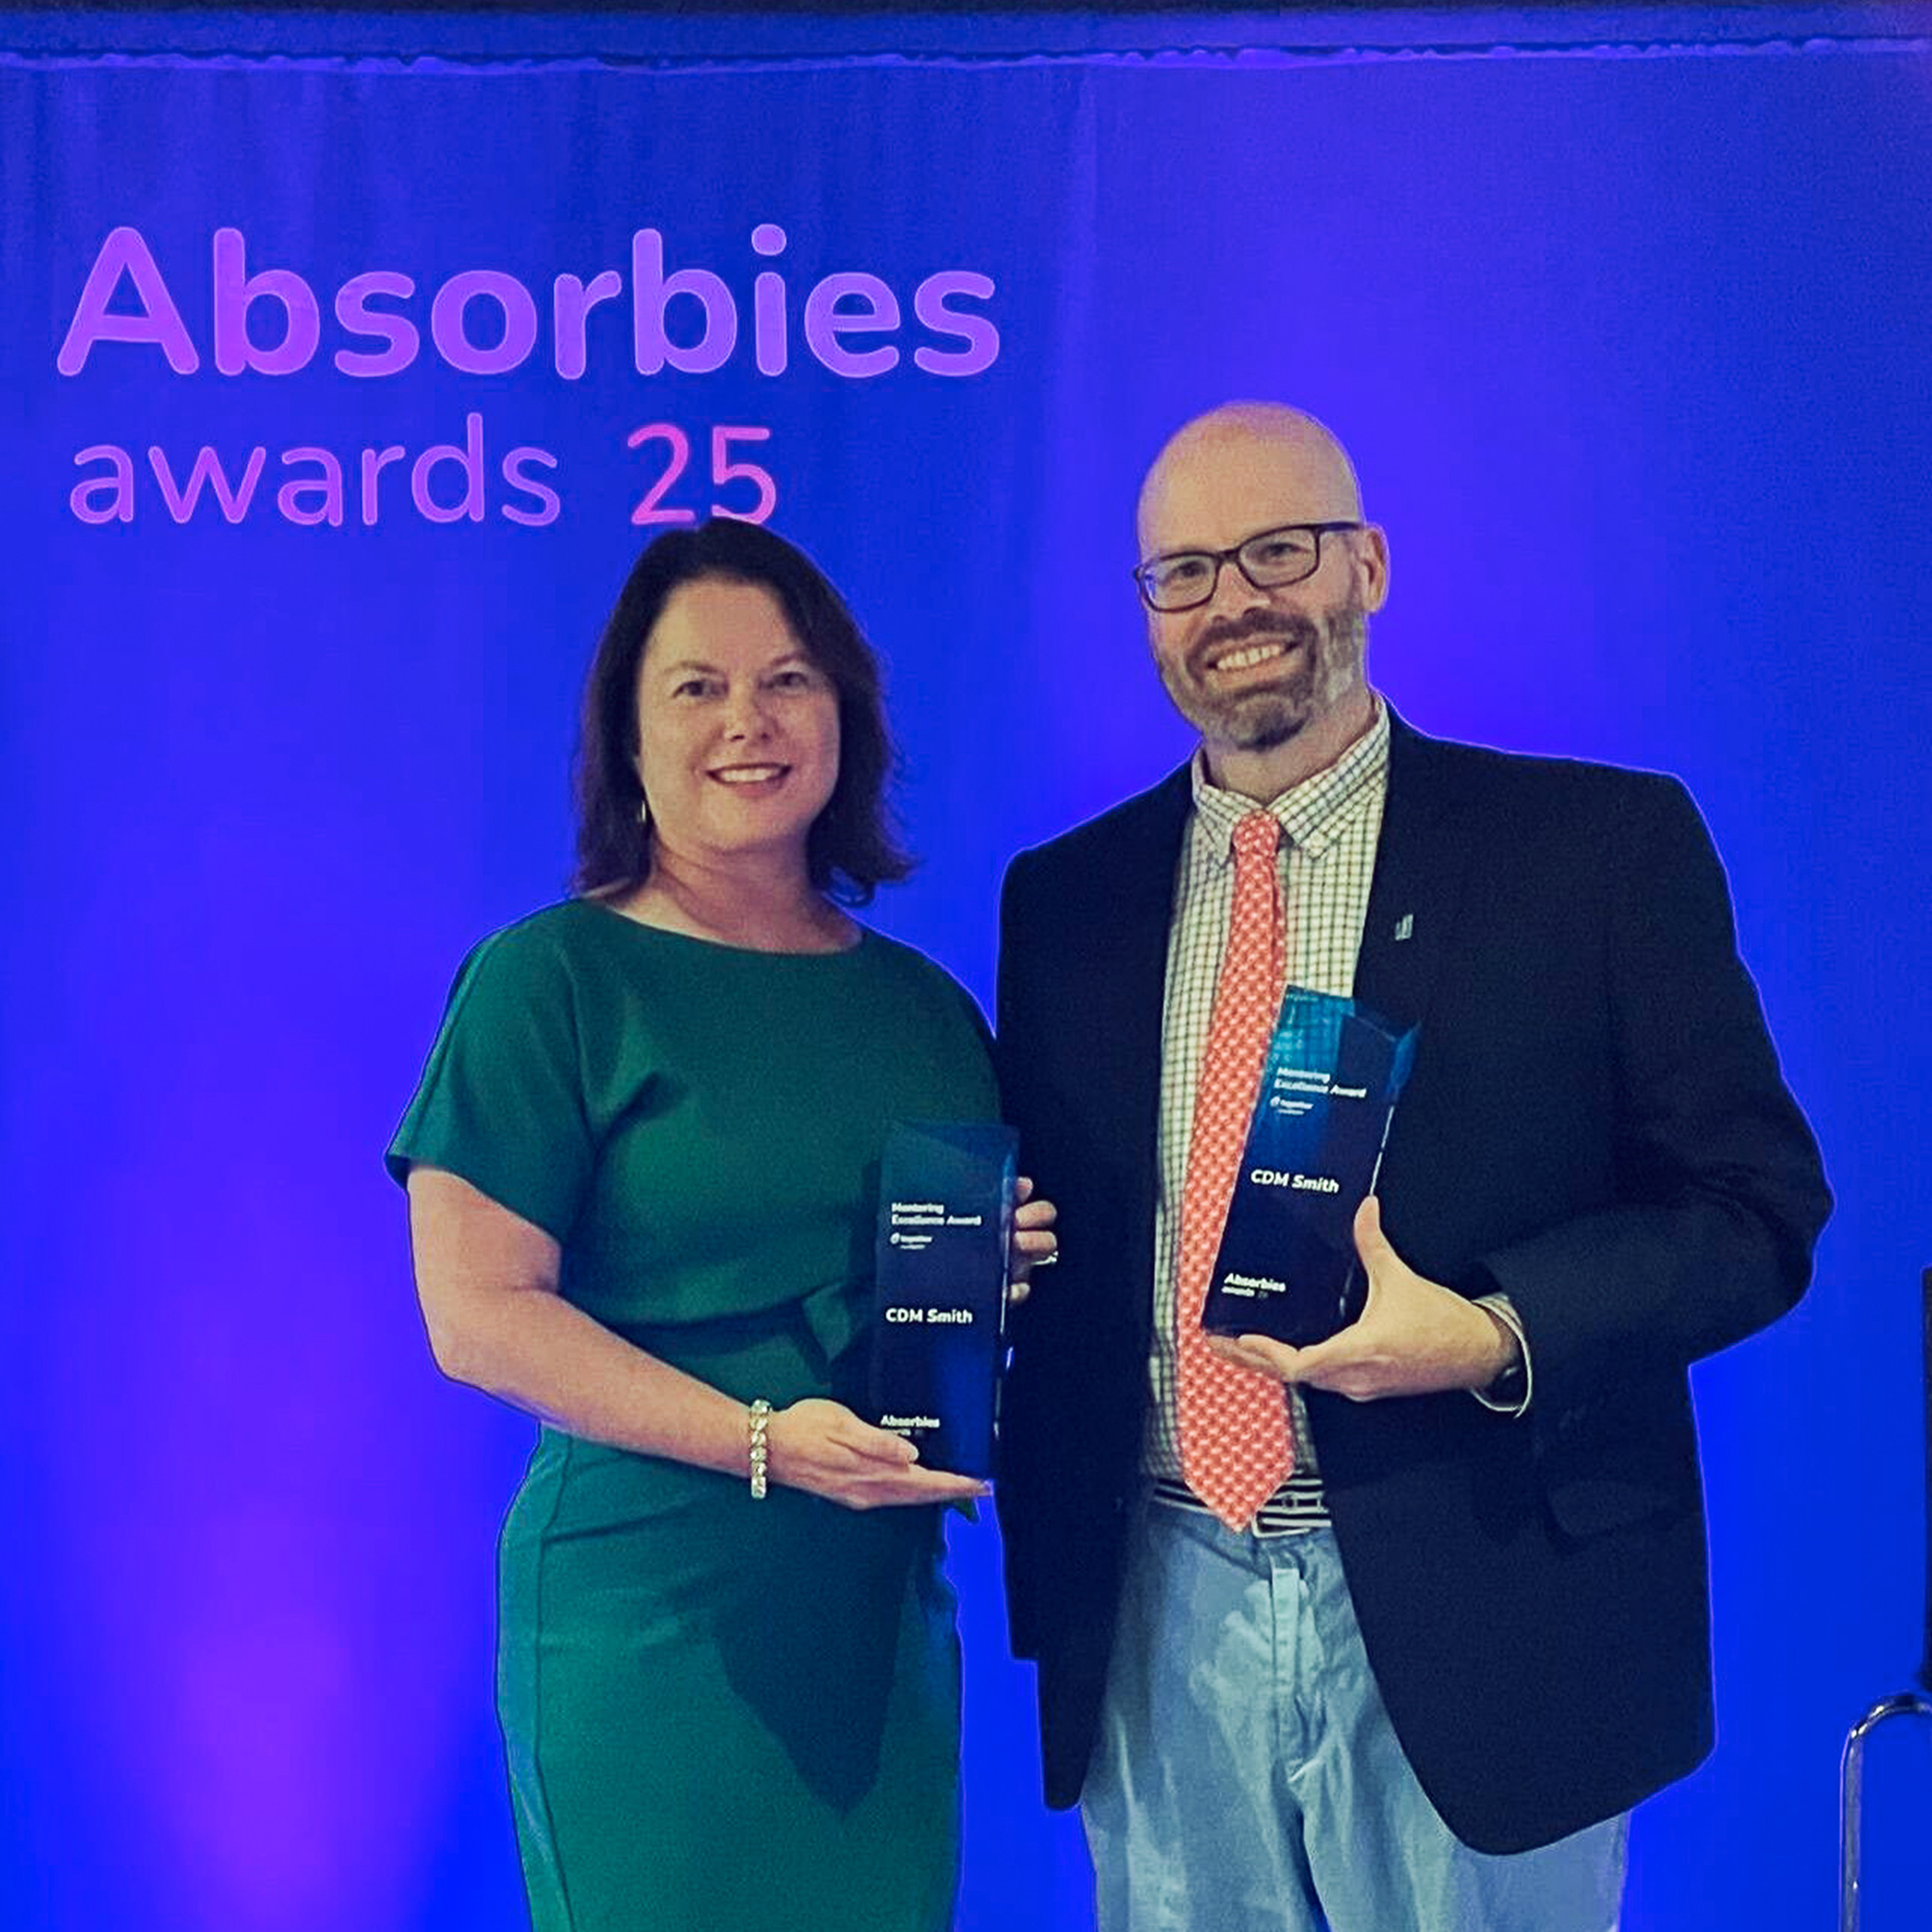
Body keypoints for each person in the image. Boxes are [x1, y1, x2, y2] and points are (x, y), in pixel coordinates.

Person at [993, 403, 1830, 1931]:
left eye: (1278, 551)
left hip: (1489, 1603)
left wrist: (1496, 1332)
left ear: (1368, 565)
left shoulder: (1596, 850)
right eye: (1184, 572)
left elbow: (1756, 1215)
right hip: (1161, 1611)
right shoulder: (1064, 906)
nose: (1234, 602)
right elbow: (1072, 1244)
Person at [386, 518, 1055, 1932]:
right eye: (696, 688)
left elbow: (921, 1305)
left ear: (846, 717)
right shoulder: (550, 982)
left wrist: (1007, 1266)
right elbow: (479, 1315)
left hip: (873, 1621)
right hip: (650, 1628)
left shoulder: (925, 1007)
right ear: (628, 738)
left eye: (788, 680)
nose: (748, 722)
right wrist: (760, 1443)